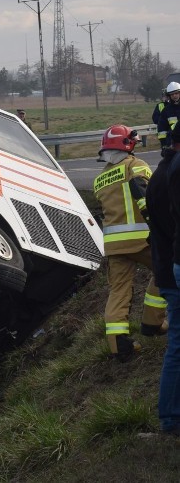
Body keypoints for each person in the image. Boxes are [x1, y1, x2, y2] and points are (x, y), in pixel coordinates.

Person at [93, 124, 166, 361]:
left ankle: (118, 346)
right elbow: (146, 192)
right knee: (165, 271)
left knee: (118, 291)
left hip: (114, 245)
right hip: (140, 239)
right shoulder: (136, 166)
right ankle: (152, 322)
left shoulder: (100, 179)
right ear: (129, 144)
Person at [149, 125, 180, 434]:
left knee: (177, 344)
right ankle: (171, 418)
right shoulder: (171, 174)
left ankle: (170, 418)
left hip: (166, 268)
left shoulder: (162, 171)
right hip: (172, 268)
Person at [157, 82, 180, 153]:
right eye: (172, 94)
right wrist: (164, 145)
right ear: (169, 96)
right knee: (166, 164)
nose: (174, 96)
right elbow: (161, 129)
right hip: (174, 144)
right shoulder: (166, 110)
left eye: (176, 93)